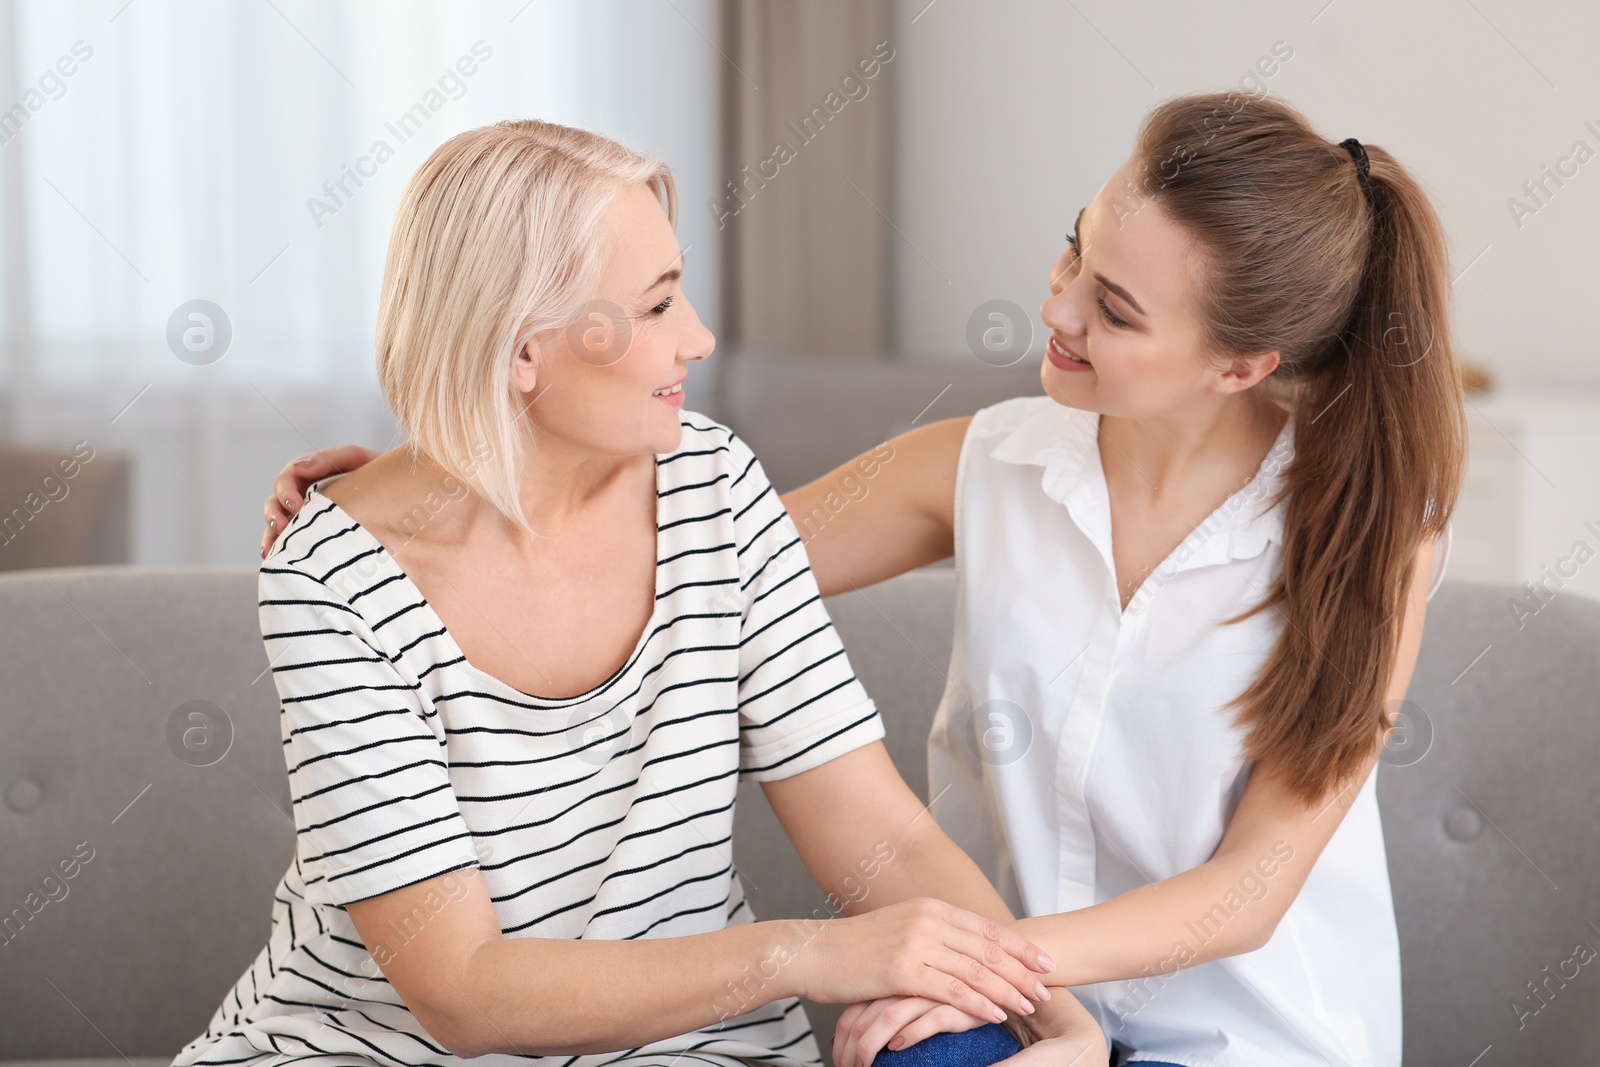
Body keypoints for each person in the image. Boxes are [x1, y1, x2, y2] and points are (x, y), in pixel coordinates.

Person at [265, 90, 1465, 1066]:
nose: (1052, 303)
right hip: (991, 991)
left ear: (1238, 364)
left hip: (1237, 1029)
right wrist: (449, 472)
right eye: (1073, 251)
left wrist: (1003, 983)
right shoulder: (976, 463)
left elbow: (1246, 893)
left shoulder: (1367, 537)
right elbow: (680, 565)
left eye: (1112, 306)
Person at [192, 118, 1111, 1067]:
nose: (701, 339)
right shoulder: (333, 576)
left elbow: (875, 829)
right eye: (661, 304)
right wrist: (806, 950)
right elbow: (462, 991)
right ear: (521, 353)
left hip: (690, 1048)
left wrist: (1057, 1018)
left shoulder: (714, 484)